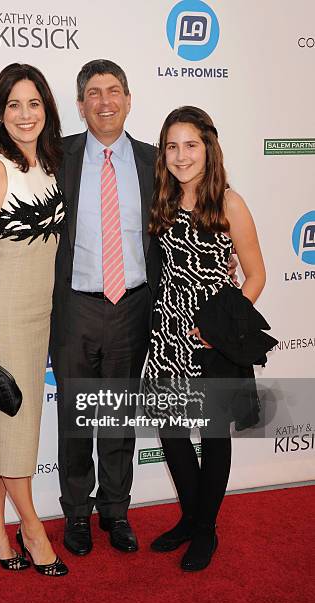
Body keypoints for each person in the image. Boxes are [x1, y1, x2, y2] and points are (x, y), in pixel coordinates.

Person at [145, 106, 266, 571]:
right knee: (172, 432)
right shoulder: (163, 199)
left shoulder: (229, 203)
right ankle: (192, 518)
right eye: (172, 146)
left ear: (208, 147)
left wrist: (220, 328)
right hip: (167, 335)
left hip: (213, 342)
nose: (181, 155)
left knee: (215, 437)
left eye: (190, 144)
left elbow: (255, 275)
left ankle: (205, 529)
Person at [50, 59, 162, 555]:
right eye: (93, 93)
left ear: (129, 98)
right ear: (80, 105)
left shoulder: (155, 161)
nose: (105, 101)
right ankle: (76, 514)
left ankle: (115, 512)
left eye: (114, 90)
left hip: (133, 307)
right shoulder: (59, 157)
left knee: (118, 418)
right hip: (74, 307)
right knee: (76, 416)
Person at [0, 63, 68, 575]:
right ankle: (32, 528)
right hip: (2, 316)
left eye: (34, 104)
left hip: (40, 314)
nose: (25, 115)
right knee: (15, 425)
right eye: (13, 105)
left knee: (0, 419)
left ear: (46, 109)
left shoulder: (48, 164)